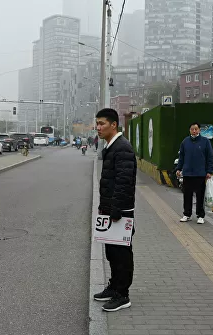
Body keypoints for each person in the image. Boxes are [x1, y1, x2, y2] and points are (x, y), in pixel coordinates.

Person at [93, 108, 137, 312]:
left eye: (102, 124)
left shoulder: (122, 148)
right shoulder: (112, 147)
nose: (98, 127)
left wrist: (116, 210)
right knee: (111, 251)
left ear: (113, 125)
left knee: (122, 254)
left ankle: (122, 294)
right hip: (111, 209)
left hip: (121, 212)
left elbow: (124, 182)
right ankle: (113, 287)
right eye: (97, 124)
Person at [175, 122, 213, 224]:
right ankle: (186, 214)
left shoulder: (205, 142)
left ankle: (200, 215)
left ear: (199, 130)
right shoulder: (185, 142)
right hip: (187, 173)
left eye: (196, 129)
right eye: (192, 129)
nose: (194, 131)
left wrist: (209, 171)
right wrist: (179, 169)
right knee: (187, 195)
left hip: (200, 174)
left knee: (200, 196)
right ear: (189, 130)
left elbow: (210, 157)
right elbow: (181, 157)